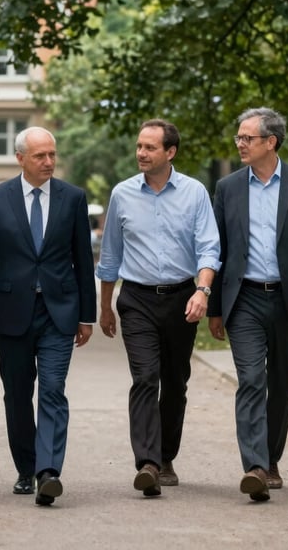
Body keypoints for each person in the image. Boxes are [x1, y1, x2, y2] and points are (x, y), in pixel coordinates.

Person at [207, 107, 288, 501]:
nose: (240, 144)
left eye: (247, 138)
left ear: (271, 142)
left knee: (282, 382)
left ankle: (271, 458)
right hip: (243, 298)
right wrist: (215, 307)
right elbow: (218, 250)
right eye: (239, 138)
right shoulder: (228, 188)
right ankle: (256, 468)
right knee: (250, 379)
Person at [0, 126, 96, 507]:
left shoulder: (72, 198)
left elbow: (82, 260)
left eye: (52, 155)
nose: (49, 162)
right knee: (18, 394)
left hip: (59, 311)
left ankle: (48, 472)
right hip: (11, 312)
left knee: (54, 389)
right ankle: (27, 467)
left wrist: (86, 315)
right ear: (20, 158)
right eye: (40, 156)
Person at [97, 120, 220, 497]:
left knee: (175, 381)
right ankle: (147, 463)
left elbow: (209, 247)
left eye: (150, 147)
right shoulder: (122, 194)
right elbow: (110, 255)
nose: (141, 153)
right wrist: (105, 306)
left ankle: (166, 456)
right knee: (146, 378)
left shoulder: (195, 193)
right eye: (139, 146)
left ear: (170, 152)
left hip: (184, 296)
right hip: (136, 299)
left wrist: (202, 291)